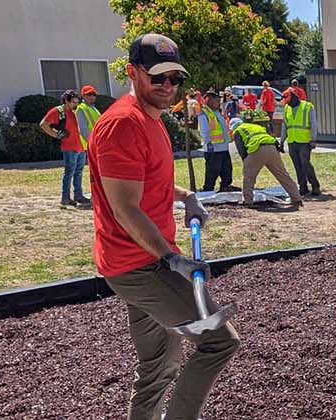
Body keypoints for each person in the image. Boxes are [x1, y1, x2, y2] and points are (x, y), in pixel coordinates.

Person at [87, 33, 240, 420]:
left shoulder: (150, 120)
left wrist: (185, 194)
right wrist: (172, 259)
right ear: (132, 73)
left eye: (174, 78)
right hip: (138, 264)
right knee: (219, 341)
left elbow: (146, 182)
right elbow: (125, 208)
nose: (168, 86)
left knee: (158, 367)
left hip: (144, 260)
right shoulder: (122, 124)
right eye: (157, 78)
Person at [229, 118, 303, 207]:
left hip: (257, 150)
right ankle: (296, 198)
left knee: (249, 177)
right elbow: (270, 137)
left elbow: (241, 148)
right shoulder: (255, 127)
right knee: (283, 175)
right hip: (272, 148)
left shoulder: (238, 131)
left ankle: (248, 201)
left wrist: (246, 161)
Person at [40, 90, 89, 207]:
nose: (75, 105)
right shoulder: (58, 111)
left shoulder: (77, 111)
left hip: (80, 147)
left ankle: (78, 195)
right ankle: (65, 197)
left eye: (77, 102)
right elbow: (43, 124)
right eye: (73, 102)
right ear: (66, 101)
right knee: (69, 172)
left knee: (79, 173)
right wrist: (56, 135)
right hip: (69, 147)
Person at [282, 89, 320, 197]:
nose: (288, 104)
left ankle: (315, 186)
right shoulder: (287, 108)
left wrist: (313, 139)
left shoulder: (307, 107)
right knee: (297, 165)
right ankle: (303, 187)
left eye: (289, 101)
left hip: (304, 141)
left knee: (305, 163)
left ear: (294, 98)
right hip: (292, 141)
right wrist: (282, 141)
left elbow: (313, 124)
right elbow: (285, 125)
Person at [198, 89, 236, 193]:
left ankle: (225, 186)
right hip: (213, 149)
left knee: (227, 170)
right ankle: (208, 189)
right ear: (210, 101)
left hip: (223, 148)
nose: (219, 104)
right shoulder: (204, 114)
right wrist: (208, 143)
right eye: (217, 102)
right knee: (212, 171)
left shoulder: (217, 112)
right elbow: (204, 131)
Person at [76, 85, 103, 152]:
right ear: (83, 96)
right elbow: (83, 130)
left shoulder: (94, 108)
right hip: (90, 145)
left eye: (94, 94)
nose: (92, 96)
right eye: (89, 94)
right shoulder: (81, 108)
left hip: (97, 142)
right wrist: (92, 143)